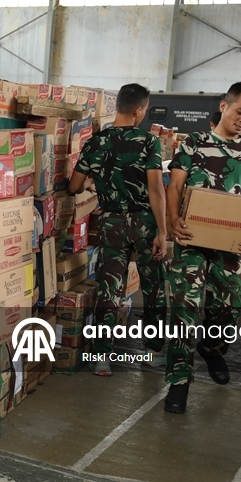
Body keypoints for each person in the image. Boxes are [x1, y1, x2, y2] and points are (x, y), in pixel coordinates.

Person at [165, 82, 241, 414]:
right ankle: (179, 381)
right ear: (224, 106)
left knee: (229, 306)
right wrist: (172, 222)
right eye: (240, 112)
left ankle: (211, 347)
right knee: (185, 307)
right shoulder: (194, 143)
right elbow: (176, 185)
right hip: (191, 240)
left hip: (230, 245)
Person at [69, 83, 167, 376]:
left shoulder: (96, 142)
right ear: (139, 110)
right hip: (145, 222)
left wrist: (93, 184)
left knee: (109, 288)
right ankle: (152, 353)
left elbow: (74, 186)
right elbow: (155, 189)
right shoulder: (149, 142)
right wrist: (163, 231)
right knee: (153, 288)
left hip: (111, 222)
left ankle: (101, 358)